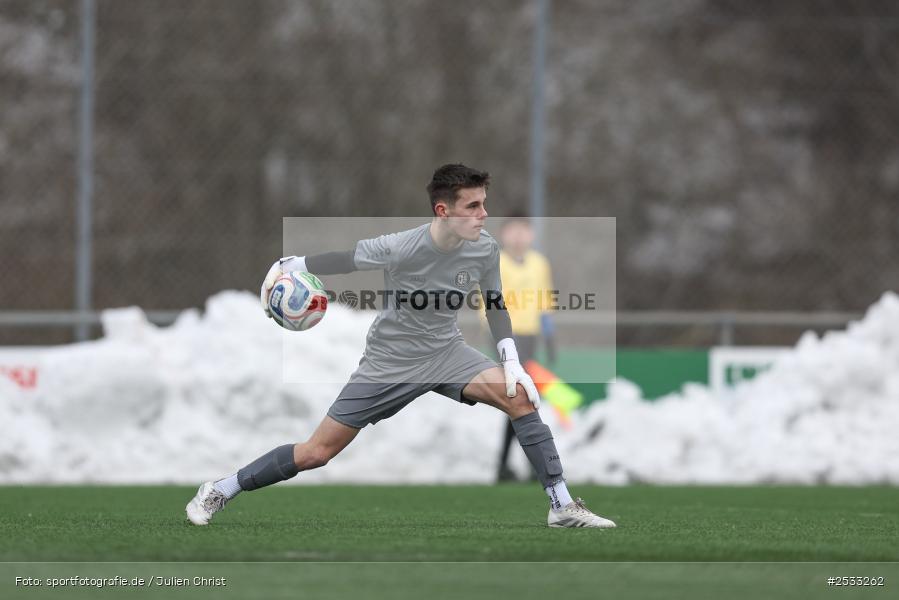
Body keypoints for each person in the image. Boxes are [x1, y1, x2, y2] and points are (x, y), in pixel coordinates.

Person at [185, 164, 615, 529]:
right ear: (443, 211)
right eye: (473, 206)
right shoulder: (402, 246)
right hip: (388, 363)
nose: (484, 214)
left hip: (447, 353)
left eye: (485, 203)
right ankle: (221, 489)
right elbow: (348, 260)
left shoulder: (484, 248)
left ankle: (561, 505)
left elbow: (495, 302)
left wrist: (510, 359)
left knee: (520, 398)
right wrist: (292, 265)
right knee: (317, 453)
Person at [493, 215, 557, 482]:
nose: (518, 236)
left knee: (521, 400)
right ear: (504, 234)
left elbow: (545, 302)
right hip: (505, 337)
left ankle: (507, 465)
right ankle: (523, 464)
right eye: (513, 230)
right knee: (519, 398)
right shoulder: (495, 262)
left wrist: (550, 337)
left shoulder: (539, 264)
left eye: (523, 230)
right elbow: (488, 303)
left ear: (530, 234)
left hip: (529, 338)